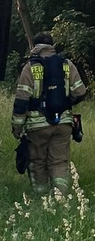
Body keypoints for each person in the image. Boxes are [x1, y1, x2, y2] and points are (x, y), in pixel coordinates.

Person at [11, 33, 87, 195]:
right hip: (63, 124)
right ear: (52, 46)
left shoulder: (30, 67)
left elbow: (22, 100)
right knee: (59, 162)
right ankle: (60, 199)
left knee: (37, 162)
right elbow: (80, 92)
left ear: (35, 47)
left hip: (36, 127)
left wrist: (17, 127)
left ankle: (42, 200)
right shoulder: (67, 64)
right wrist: (65, 103)